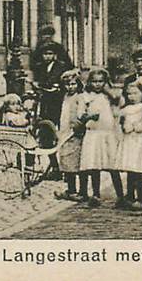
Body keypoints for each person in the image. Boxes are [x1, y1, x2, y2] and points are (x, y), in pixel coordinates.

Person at [78, 68, 125, 208]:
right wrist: (89, 116)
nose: (97, 84)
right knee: (94, 165)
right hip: (93, 134)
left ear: (105, 82)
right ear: (90, 82)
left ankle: (121, 196)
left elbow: (120, 105)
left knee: (112, 166)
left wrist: (109, 93)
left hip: (108, 134)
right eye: (94, 81)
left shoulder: (109, 96)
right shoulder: (85, 97)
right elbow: (80, 115)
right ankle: (96, 194)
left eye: (101, 81)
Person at [118, 81, 142, 211]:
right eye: (129, 94)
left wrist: (134, 127)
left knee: (139, 171)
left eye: (135, 93)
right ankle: (129, 196)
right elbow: (117, 117)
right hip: (129, 142)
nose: (132, 97)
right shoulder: (126, 109)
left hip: (140, 142)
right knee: (130, 170)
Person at [56, 69, 87, 202]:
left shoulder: (80, 98)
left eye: (73, 84)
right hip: (65, 133)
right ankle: (71, 188)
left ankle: (82, 191)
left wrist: (78, 126)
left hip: (75, 133)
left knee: (77, 163)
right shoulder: (65, 97)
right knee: (67, 162)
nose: (70, 87)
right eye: (67, 85)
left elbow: (81, 114)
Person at [33, 42, 70, 128]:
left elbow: (56, 80)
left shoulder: (60, 66)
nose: (47, 56)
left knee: (55, 116)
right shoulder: (40, 67)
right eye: (45, 54)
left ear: (54, 55)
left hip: (57, 97)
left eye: (50, 54)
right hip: (45, 96)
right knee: (43, 117)